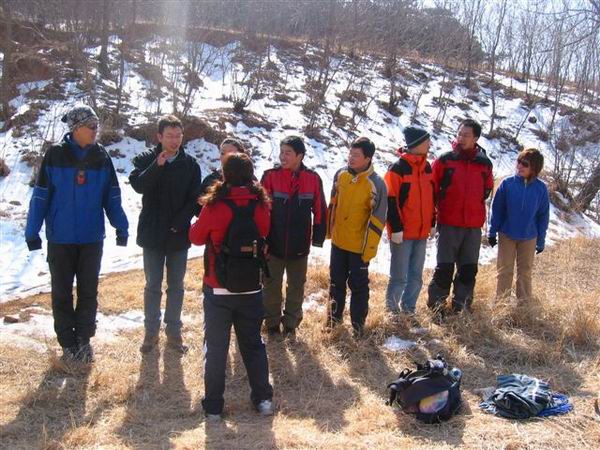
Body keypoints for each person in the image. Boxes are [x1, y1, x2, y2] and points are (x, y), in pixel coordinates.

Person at [25, 104, 129, 363]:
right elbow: (40, 196)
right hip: (60, 239)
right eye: (91, 126)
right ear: (76, 128)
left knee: (88, 292)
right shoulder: (55, 155)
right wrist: (32, 232)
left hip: (91, 238)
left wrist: (121, 227)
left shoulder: (102, 157)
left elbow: (112, 196)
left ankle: (84, 338)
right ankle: (67, 343)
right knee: (61, 292)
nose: (96, 130)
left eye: (97, 125)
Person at [189, 152, 274, 420]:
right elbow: (265, 232)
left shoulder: (215, 205)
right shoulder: (261, 204)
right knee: (253, 345)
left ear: (224, 175)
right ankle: (263, 400)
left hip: (218, 287)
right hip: (251, 286)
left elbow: (196, 237)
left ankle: (214, 407)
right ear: (251, 174)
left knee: (216, 349)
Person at [129, 115, 202, 354]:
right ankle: (150, 332)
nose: (174, 140)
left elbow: (195, 199)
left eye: (178, 136)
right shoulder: (145, 159)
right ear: (159, 137)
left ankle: (174, 332)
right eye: (169, 136)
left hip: (178, 234)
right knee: (152, 285)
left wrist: (181, 222)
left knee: (176, 285)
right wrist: (156, 166)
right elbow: (139, 186)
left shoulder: (190, 164)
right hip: (152, 233)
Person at [260, 135, 327, 337]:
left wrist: (318, 237)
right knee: (271, 285)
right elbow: (261, 210)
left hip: (299, 246)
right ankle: (272, 324)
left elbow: (320, 209)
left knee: (296, 287)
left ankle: (291, 325)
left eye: (288, 153)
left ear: (300, 156)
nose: (283, 156)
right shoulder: (270, 176)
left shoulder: (312, 179)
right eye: (281, 152)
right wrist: (262, 239)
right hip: (273, 245)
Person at [427, 119, 494, 315]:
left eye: (466, 135)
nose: (461, 138)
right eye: (459, 134)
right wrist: (433, 217)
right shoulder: (445, 160)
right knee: (444, 268)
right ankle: (437, 307)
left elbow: (487, 189)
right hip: (449, 222)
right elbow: (431, 188)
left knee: (468, 269)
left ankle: (461, 306)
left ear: (476, 138)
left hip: (473, 225)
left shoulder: (484, 163)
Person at [327, 137, 387, 336]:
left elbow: (378, 219)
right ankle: (333, 323)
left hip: (359, 246)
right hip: (338, 242)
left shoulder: (376, 184)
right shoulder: (341, 175)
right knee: (335, 283)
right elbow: (333, 204)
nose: (351, 158)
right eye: (350, 154)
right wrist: (328, 231)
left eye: (356, 155)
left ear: (368, 158)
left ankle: (358, 327)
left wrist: (369, 250)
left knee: (359, 287)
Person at [384, 127, 436, 316]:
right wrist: (396, 229)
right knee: (399, 276)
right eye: (426, 141)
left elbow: (432, 198)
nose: (429, 144)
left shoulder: (427, 167)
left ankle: (409, 310)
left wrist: (432, 222)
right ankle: (392, 312)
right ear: (417, 144)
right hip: (403, 233)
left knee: (416, 276)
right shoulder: (397, 169)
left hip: (421, 233)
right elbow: (390, 200)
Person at [487, 148, 549, 301]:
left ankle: (524, 305)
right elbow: (497, 209)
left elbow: (543, 216)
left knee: (525, 272)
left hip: (529, 236)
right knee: (504, 270)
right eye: (519, 162)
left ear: (534, 168)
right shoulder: (507, 184)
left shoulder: (541, 189)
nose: (520, 166)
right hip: (506, 234)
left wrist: (541, 240)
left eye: (525, 164)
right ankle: (501, 304)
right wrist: (492, 232)